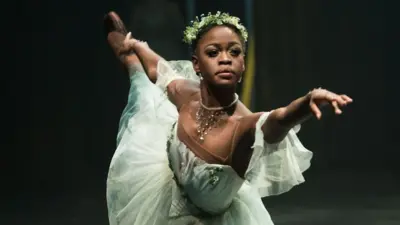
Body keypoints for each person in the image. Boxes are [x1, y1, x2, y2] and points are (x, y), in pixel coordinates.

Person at [103, 11, 352, 225]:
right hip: (166, 197)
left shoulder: (244, 128)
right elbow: (158, 70)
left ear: (243, 64)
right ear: (197, 64)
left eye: (234, 52)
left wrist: (306, 103)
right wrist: (135, 46)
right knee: (143, 84)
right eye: (213, 52)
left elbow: (279, 119)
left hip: (215, 216)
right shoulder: (186, 95)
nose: (225, 59)